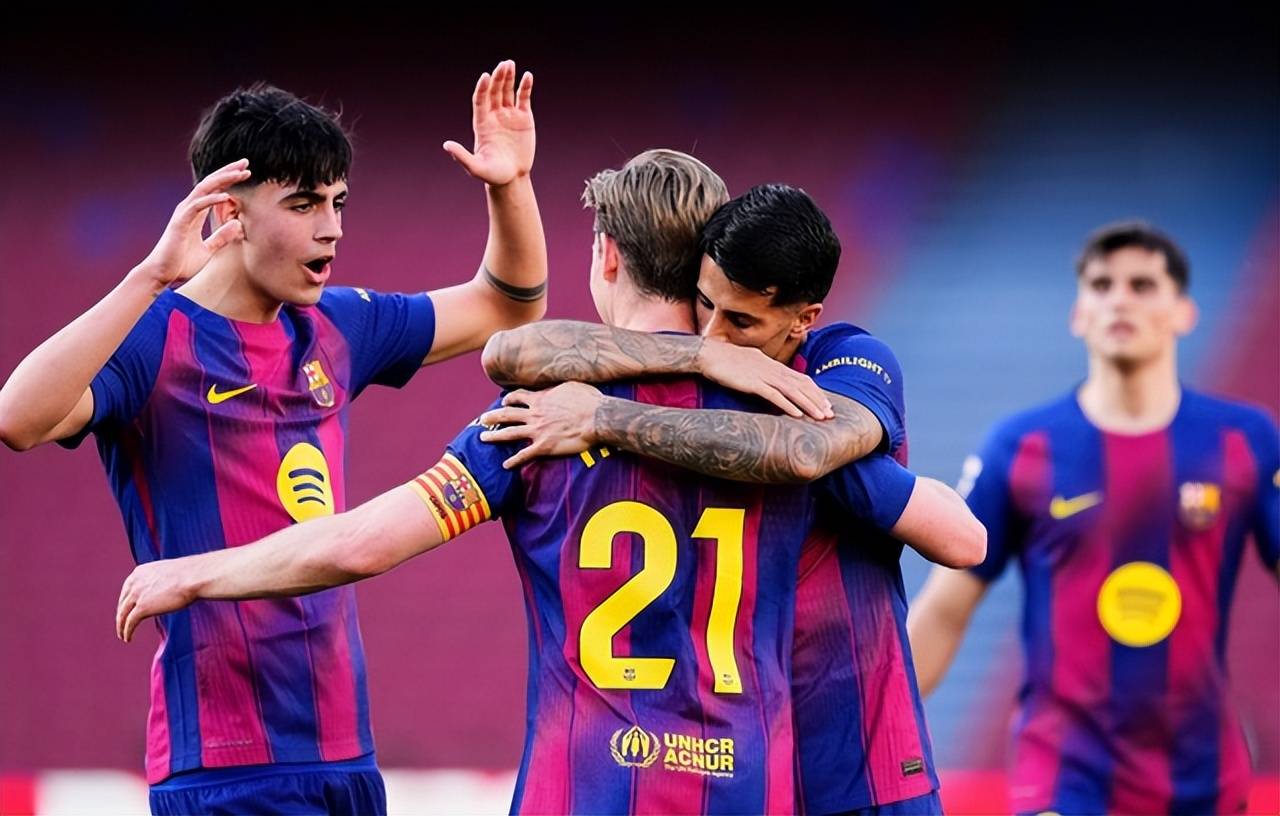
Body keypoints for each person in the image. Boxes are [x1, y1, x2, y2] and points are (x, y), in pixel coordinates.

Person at [116, 153, 976, 814]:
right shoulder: (786, 421)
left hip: (585, 784)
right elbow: (959, 536)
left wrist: (196, 574)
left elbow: (363, 543)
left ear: (606, 254)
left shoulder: (534, 422)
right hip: (745, 784)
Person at [0, 60, 547, 815]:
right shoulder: (153, 338)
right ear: (228, 212)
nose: (332, 227)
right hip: (223, 764)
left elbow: (508, 303)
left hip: (344, 756)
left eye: (337, 201)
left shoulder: (336, 325)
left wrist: (510, 186)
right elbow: (17, 419)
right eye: (303, 203)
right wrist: (150, 276)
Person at [472, 183, 986, 814]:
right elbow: (507, 352)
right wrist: (700, 358)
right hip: (747, 768)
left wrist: (604, 419)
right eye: (704, 304)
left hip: (861, 760)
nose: (713, 334)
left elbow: (820, 460)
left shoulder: (843, 365)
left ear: (804, 319)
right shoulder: (697, 373)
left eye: (739, 321)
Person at [907, 221, 1279, 815]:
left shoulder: (1245, 441)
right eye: (1102, 286)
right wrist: (872, 734)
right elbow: (946, 609)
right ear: (1079, 314)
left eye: (1142, 285)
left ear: (1184, 312)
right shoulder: (1021, 447)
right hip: (1063, 778)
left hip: (1205, 776)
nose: (1119, 300)